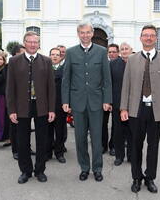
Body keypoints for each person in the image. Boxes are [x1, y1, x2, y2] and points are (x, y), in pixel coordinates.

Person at [120, 25, 160, 193]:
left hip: (157, 110)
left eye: (152, 35)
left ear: (156, 38)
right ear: (140, 38)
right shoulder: (132, 59)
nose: (149, 38)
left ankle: (150, 177)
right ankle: (136, 178)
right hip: (136, 110)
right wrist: (123, 108)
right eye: (145, 35)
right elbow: (126, 86)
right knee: (136, 145)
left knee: (153, 145)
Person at [61, 21, 112, 182]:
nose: (85, 35)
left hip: (97, 102)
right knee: (80, 138)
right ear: (78, 34)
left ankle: (97, 168)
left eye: (88, 32)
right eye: (82, 32)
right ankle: (84, 167)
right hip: (77, 102)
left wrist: (107, 100)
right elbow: (66, 79)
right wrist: (65, 101)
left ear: (92, 33)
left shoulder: (102, 51)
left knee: (97, 138)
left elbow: (107, 79)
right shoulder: (71, 52)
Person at [6, 31, 56, 184]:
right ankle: (25, 171)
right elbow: (10, 88)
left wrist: (52, 109)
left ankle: (40, 170)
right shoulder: (14, 61)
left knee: (42, 140)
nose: (33, 44)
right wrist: (11, 110)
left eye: (36, 42)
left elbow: (51, 88)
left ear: (39, 44)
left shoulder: (46, 61)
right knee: (22, 141)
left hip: (42, 106)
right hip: (21, 107)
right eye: (30, 41)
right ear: (24, 43)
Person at [111, 42, 132, 166]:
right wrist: (108, 101)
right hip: (117, 104)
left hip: (133, 104)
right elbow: (108, 84)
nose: (124, 51)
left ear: (131, 50)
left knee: (132, 132)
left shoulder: (136, 63)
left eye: (126, 49)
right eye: (122, 49)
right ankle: (119, 156)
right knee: (118, 131)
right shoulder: (112, 64)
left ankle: (131, 155)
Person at [47, 47, 67, 163]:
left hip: (60, 105)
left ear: (61, 57)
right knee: (47, 130)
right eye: (52, 54)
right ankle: (47, 152)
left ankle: (59, 153)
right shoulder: (44, 69)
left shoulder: (65, 70)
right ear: (49, 56)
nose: (54, 57)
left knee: (60, 130)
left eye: (57, 55)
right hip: (47, 105)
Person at [102, 43, 120, 156]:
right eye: (110, 52)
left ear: (117, 53)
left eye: (114, 52)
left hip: (117, 99)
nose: (112, 54)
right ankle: (103, 146)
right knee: (102, 124)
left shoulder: (122, 64)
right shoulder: (104, 64)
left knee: (116, 125)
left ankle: (113, 145)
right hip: (104, 99)